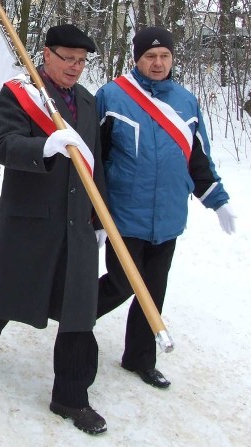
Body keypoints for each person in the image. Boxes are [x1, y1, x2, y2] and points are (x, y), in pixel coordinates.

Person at [0, 24, 108, 436]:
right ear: (46, 55)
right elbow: (6, 145)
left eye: (82, 61)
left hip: (77, 222)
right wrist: (44, 146)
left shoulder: (87, 101)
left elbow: (96, 161)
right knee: (7, 296)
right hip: (30, 221)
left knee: (79, 310)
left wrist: (99, 218)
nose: (75, 68)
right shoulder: (19, 93)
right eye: (68, 58)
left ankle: (71, 397)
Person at [94, 26, 236, 390]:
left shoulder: (186, 101)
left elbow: (197, 157)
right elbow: (95, 159)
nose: (157, 63)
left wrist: (217, 199)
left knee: (153, 290)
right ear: (137, 59)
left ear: (172, 58)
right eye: (149, 56)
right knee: (124, 282)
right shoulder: (111, 97)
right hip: (124, 214)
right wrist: (95, 213)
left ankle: (139, 358)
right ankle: (73, 313)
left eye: (164, 56)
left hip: (169, 216)